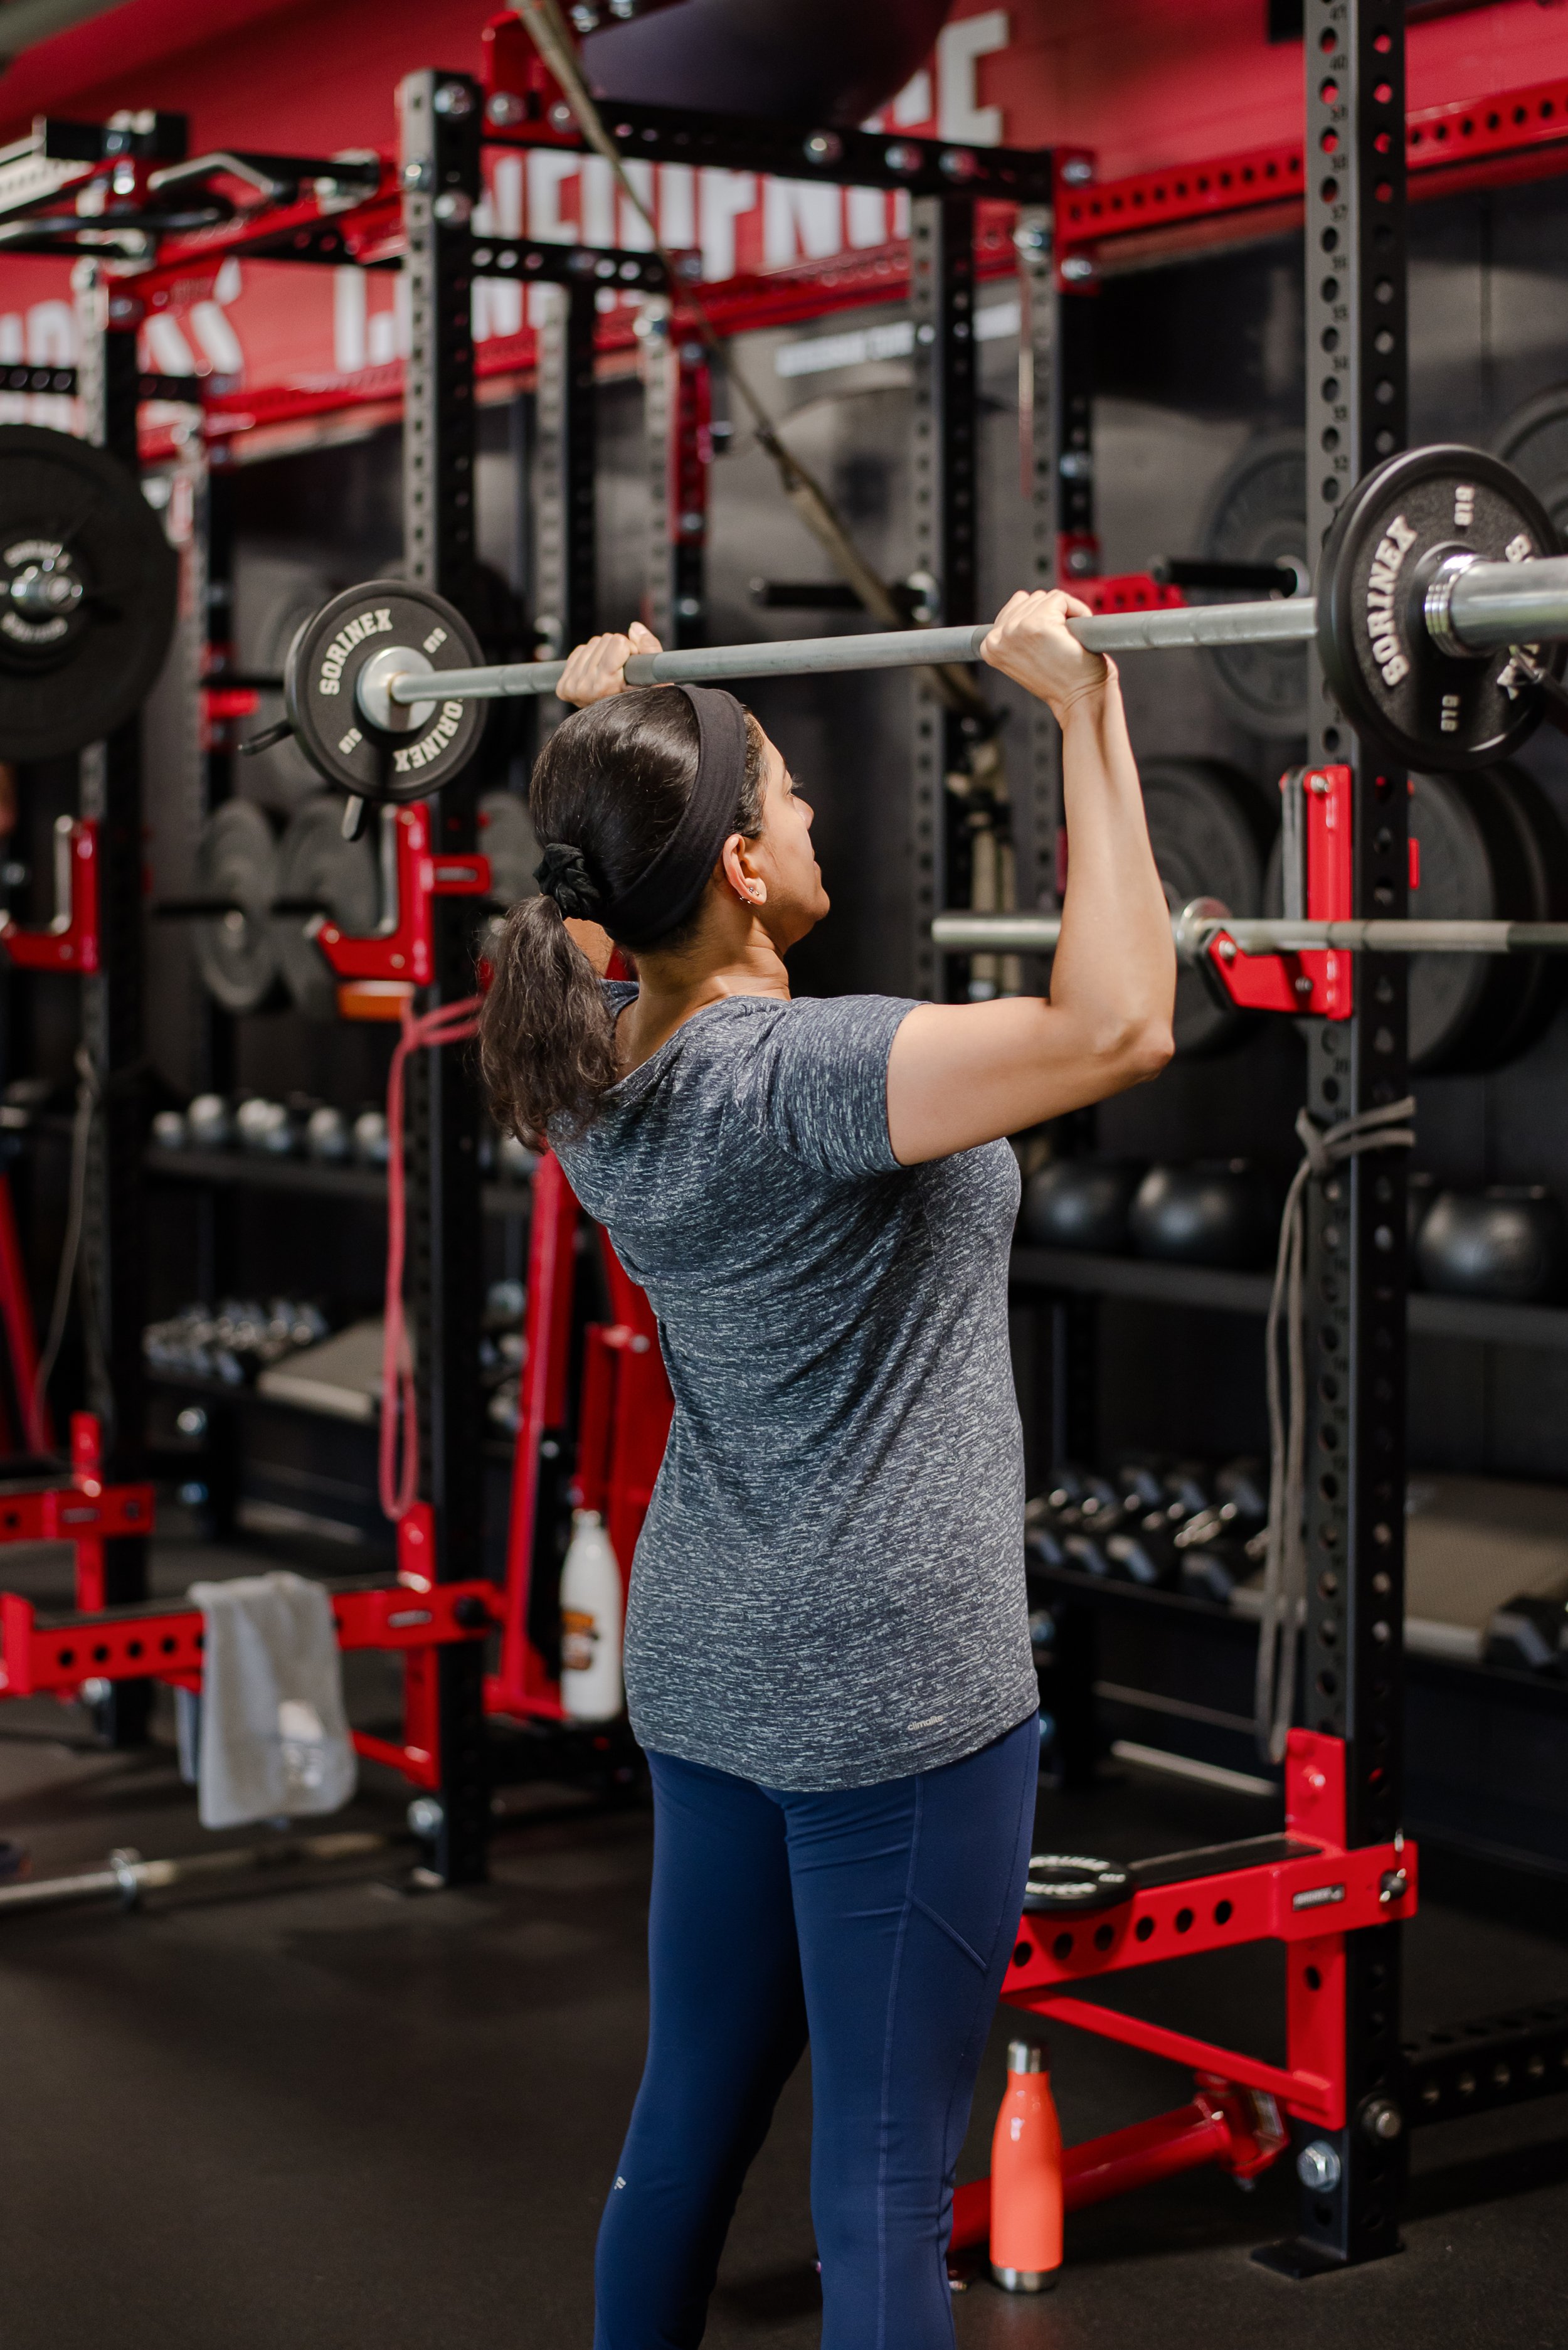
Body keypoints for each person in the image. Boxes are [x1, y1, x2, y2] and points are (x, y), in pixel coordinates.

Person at [478, 592, 1175, 2350]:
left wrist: (594, 726)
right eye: (783, 798)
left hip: (711, 1662)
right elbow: (1118, 1028)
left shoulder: (586, 1068)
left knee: (685, 2123)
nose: (810, 822)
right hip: (893, 1690)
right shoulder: (799, 1072)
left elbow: (580, 885)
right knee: (875, 2181)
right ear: (732, 864)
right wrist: (1084, 713)